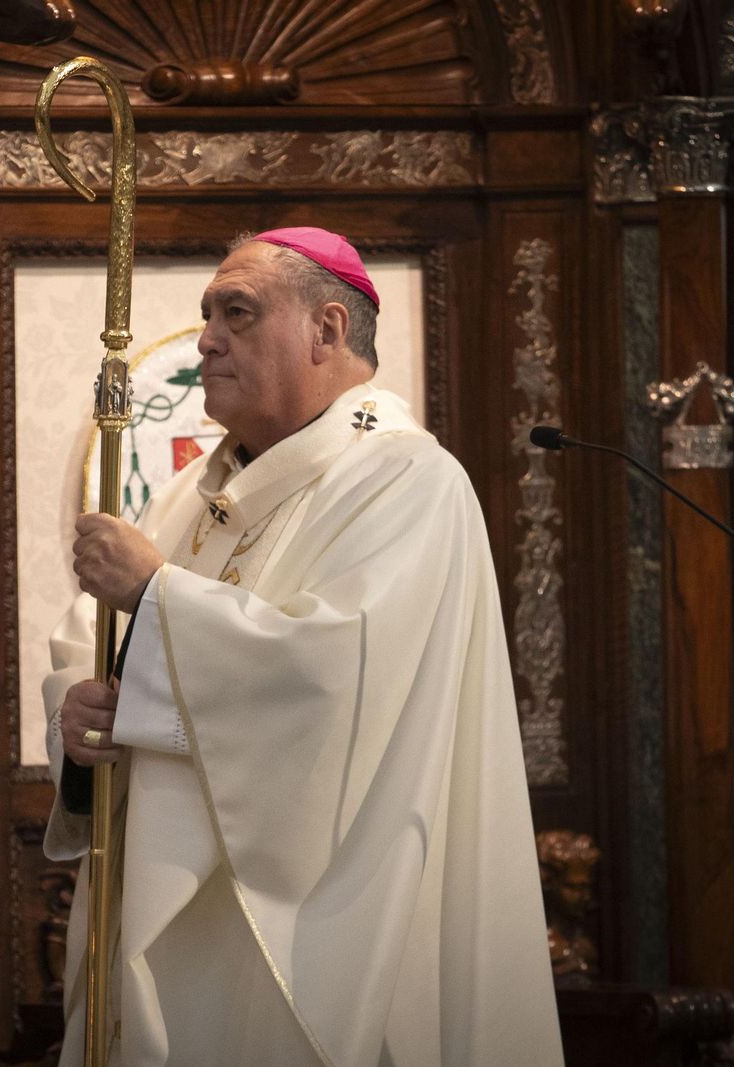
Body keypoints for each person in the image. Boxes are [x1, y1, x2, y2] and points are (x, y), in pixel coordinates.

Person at [43, 228, 563, 1066]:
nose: (207, 337)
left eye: (237, 313)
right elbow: (89, 648)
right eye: (207, 314)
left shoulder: (408, 482)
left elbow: (335, 683)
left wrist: (155, 594)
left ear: (326, 329)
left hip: (321, 929)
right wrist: (79, 714)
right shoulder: (194, 490)